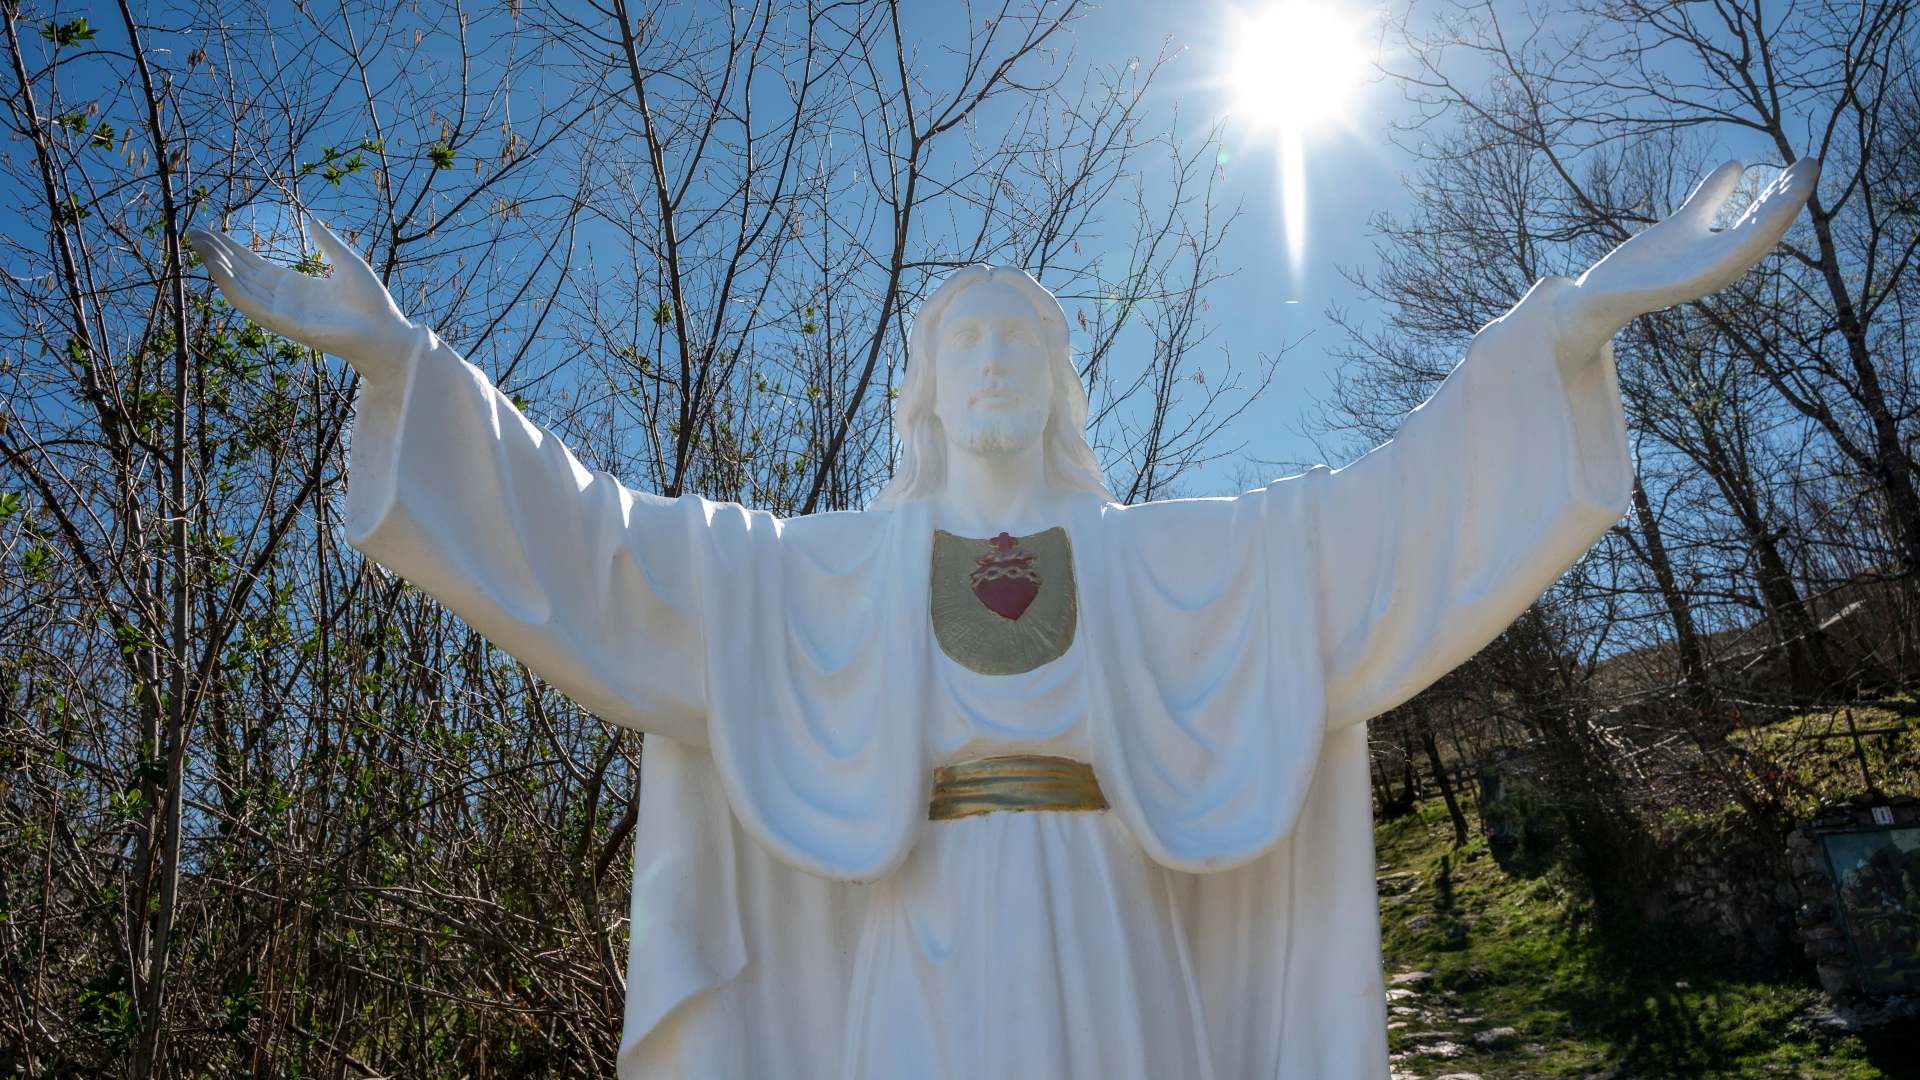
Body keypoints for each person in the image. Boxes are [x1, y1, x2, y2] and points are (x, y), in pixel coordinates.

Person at [188, 158, 1818, 1080]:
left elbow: (1389, 521)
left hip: (1114, 939)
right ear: (920, 392)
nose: (991, 363)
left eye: (1020, 340)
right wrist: (406, 367)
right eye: (961, 342)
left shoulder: (1180, 557)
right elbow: (608, 549)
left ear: (1059, 384)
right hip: (917, 953)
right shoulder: (816, 571)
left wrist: (1574, 320)